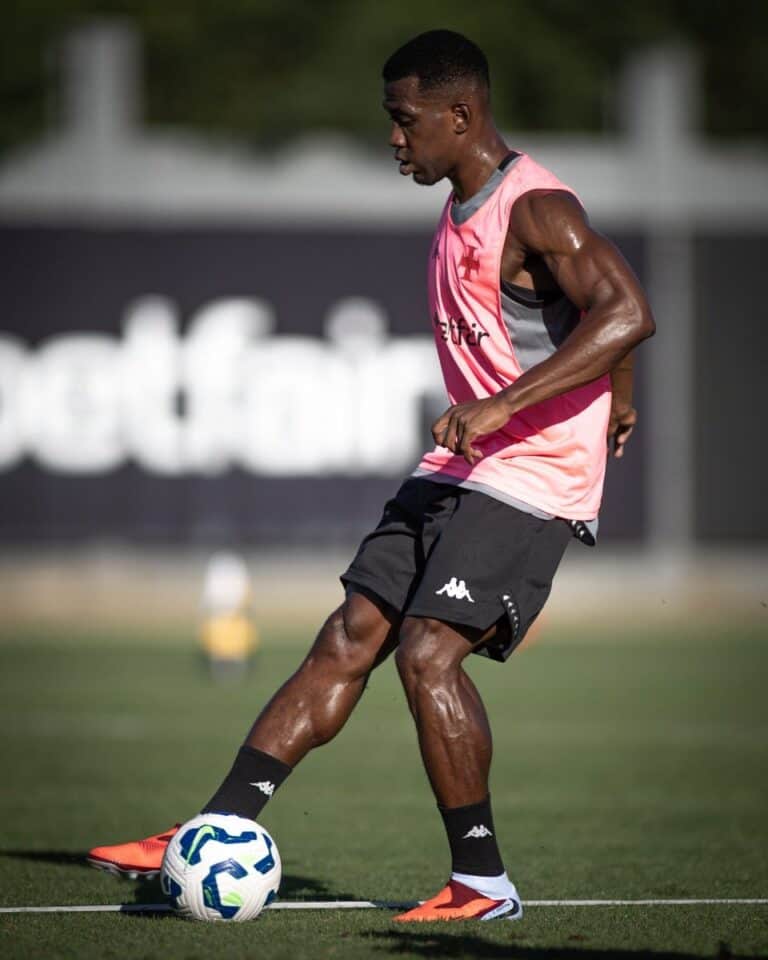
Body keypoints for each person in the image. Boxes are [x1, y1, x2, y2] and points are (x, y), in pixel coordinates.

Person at [87, 29, 654, 922]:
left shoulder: (537, 206)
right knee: (350, 633)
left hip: (534, 470)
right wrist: (617, 393)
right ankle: (215, 825)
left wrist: (514, 405)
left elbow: (627, 307)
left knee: (428, 652)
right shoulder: (460, 206)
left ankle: (483, 883)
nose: (394, 137)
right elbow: (597, 315)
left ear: (460, 115)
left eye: (405, 120)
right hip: (468, 464)